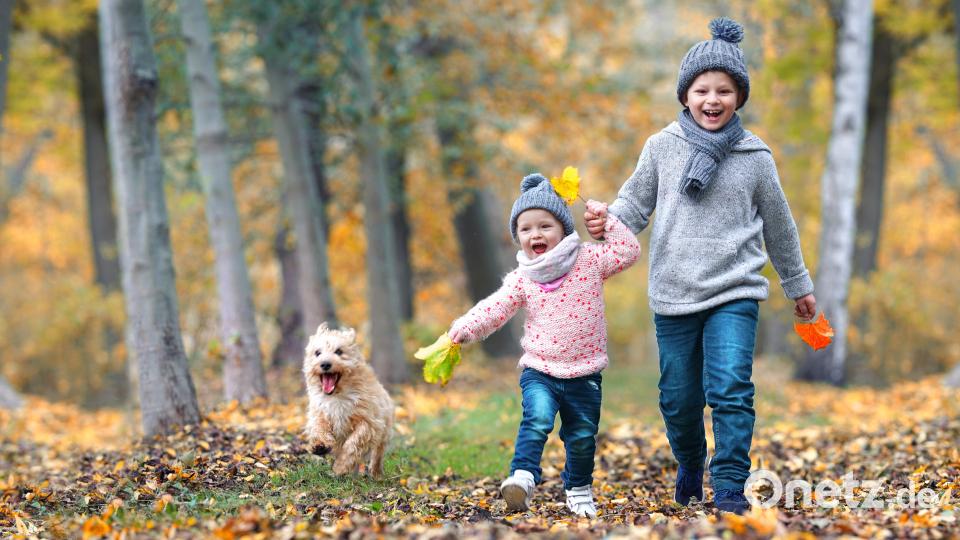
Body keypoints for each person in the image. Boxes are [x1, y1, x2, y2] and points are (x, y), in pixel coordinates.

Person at [584, 17, 817, 514]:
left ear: (739, 97)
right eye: (702, 89)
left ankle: (730, 484)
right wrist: (606, 220)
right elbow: (633, 205)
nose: (713, 100)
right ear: (685, 95)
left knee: (731, 386)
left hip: (735, 289)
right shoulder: (661, 147)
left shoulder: (756, 157)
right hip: (673, 292)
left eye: (725, 91)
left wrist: (798, 285)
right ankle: (690, 461)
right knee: (678, 398)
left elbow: (781, 227)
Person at [448, 173, 640, 518]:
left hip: (585, 373)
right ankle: (522, 477)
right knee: (536, 420)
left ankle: (579, 488)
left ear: (563, 229)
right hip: (540, 369)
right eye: (526, 229)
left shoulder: (589, 260)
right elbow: (496, 307)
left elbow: (628, 252)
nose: (535, 234)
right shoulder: (524, 277)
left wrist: (608, 220)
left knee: (581, 437)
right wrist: (466, 327)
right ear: (518, 237)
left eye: (544, 226)